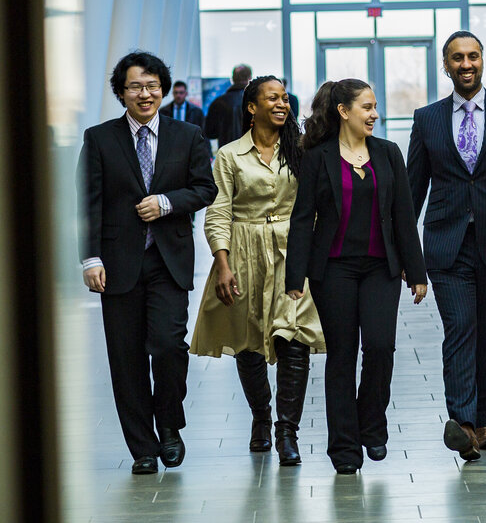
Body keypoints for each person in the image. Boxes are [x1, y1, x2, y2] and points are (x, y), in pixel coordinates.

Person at [77, 52, 217, 475]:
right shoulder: (99, 138)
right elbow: (87, 202)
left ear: (163, 90)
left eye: (152, 85)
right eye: (136, 86)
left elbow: (204, 189)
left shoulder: (187, 135)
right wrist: (90, 258)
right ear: (121, 92)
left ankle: (170, 426)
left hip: (168, 260)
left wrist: (168, 202)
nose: (145, 93)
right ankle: (142, 446)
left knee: (169, 345)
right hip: (117, 264)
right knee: (126, 357)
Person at [286, 78, 428, 474]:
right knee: (342, 356)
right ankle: (344, 448)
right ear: (343, 111)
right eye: (367, 107)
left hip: (381, 268)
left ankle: (372, 424)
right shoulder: (318, 157)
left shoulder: (387, 153)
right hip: (333, 270)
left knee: (381, 347)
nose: (375, 114)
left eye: (376, 106)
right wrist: (295, 277)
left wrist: (416, 273)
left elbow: (403, 215)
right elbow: (302, 218)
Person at [407, 30, 486, 461]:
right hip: (446, 243)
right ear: (446, 66)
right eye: (456, 58)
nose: (466, 64)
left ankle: (485, 422)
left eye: (472, 56)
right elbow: (411, 190)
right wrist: (407, 256)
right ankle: (461, 422)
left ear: (483, 60)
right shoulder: (426, 119)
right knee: (460, 328)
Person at [190, 76, 324, 466]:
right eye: (273, 98)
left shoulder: (302, 150)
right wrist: (222, 262)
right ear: (251, 107)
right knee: (248, 341)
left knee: (293, 338)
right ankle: (261, 418)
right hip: (245, 251)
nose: (283, 104)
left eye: (285, 98)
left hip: (293, 251)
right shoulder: (230, 156)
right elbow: (218, 211)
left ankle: (287, 430)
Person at [161, 80, 211, 160]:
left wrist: (208, 153)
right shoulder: (164, 111)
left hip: (190, 148)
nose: (178, 95)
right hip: (170, 149)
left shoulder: (196, 112)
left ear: (186, 93)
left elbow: (203, 133)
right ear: (173, 93)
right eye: (176, 93)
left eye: (181, 93)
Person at [205, 64, 252, 148]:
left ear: (232, 79)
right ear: (249, 78)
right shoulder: (256, 101)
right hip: (250, 154)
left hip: (227, 154)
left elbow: (210, 133)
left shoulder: (218, 103)